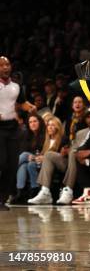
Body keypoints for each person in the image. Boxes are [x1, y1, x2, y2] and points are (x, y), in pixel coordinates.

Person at [28, 107, 90, 205]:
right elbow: (73, 147)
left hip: (88, 160)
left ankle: (68, 190)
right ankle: (45, 193)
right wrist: (66, 151)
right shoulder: (80, 133)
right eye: (88, 117)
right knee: (49, 155)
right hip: (70, 162)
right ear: (85, 119)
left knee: (73, 152)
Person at [0, 56, 36, 210]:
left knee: (12, 165)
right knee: (1, 162)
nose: (5, 67)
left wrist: (31, 108)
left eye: (7, 64)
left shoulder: (17, 86)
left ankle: (2, 199)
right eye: (2, 65)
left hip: (13, 128)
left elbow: (22, 103)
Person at [10, 113, 46, 203]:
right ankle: (21, 193)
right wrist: (30, 157)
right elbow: (22, 150)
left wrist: (32, 156)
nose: (32, 124)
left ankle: (10, 168)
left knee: (25, 156)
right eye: (30, 122)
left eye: (35, 121)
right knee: (24, 165)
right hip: (30, 161)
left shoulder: (45, 134)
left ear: (40, 122)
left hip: (41, 160)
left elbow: (44, 151)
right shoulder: (27, 135)